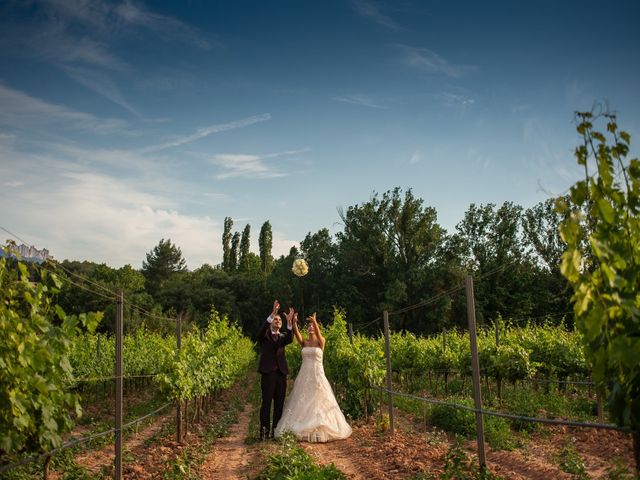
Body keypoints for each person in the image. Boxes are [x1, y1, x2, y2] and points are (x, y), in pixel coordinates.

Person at [274, 312, 352, 442]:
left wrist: (314, 321)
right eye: (309, 326)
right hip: (304, 375)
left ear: (316, 328)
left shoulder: (321, 341)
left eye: (312, 326)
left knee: (318, 400)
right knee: (302, 399)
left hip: (317, 375)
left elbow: (319, 333)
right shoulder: (305, 342)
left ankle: (319, 425)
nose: (310, 328)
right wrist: (293, 322)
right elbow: (297, 335)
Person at [257, 299, 294, 440]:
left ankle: (276, 432)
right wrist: (273, 313)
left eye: (279, 320)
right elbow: (260, 332)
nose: (278, 321)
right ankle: (264, 432)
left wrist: (290, 323)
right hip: (268, 373)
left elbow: (290, 338)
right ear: (271, 322)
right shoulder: (264, 336)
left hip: (281, 374)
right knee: (266, 403)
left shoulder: (283, 337)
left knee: (279, 404)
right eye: (275, 319)